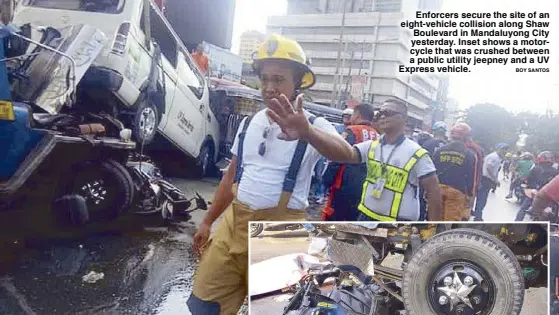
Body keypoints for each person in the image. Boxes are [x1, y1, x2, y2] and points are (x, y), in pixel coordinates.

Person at [187, 34, 340, 315]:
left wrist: (307, 132)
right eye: (265, 78)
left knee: (273, 310)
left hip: (280, 234)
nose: (269, 87)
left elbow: (345, 153)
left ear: (297, 83)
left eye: (279, 79)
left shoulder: (315, 124)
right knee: (205, 307)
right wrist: (208, 221)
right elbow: (230, 177)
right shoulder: (248, 123)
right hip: (233, 227)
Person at [266, 97, 443, 222]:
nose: (381, 116)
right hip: (365, 218)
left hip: (398, 225)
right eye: (379, 112)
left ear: (403, 118)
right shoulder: (372, 146)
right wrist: (308, 133)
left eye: (388, 112)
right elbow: (342, 153)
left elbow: (434, 194)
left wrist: (434, 230)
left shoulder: (417, 153)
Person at [322, 103, 380, 221]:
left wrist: (327, 180)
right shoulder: (378, 136)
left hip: (343, 184)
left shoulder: (351, 131)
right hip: (365, 187)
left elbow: (337, 156)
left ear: (357, 115)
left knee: (333, 218)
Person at [432, 123, 477, 221]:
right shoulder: (470, 154)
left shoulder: (440, 150)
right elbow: (470, 177)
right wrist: (469, 195)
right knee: (450, 223)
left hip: (438, 189)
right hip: (457, 192)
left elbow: (432, 171)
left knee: (434, 220)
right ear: (466, 137)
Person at [515, 151, 558, 221]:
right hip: (547, 196)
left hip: (534, 193)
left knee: (523, 209)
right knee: (549, 214)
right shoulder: (555, 171)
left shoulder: (536, 168)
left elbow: (529, 179)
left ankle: (516, 223)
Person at [473, 143, 509, 221]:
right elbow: (488, 167)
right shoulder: (494, 157)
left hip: (488, 180)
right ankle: (477, 216)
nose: (505, 151)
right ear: (498, 149)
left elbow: (494, 170)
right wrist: (494, 179)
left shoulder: (498, 158)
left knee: (482, 198)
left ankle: (477, 214)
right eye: (503, 149)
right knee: (481, 199)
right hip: (485, 179)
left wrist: (495, 179)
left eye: (506, 150)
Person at [464, 137, 484, 215]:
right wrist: (478, 181)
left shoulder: (461, 146)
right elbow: (480, 167)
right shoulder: (478, 150)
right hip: (472, 181)